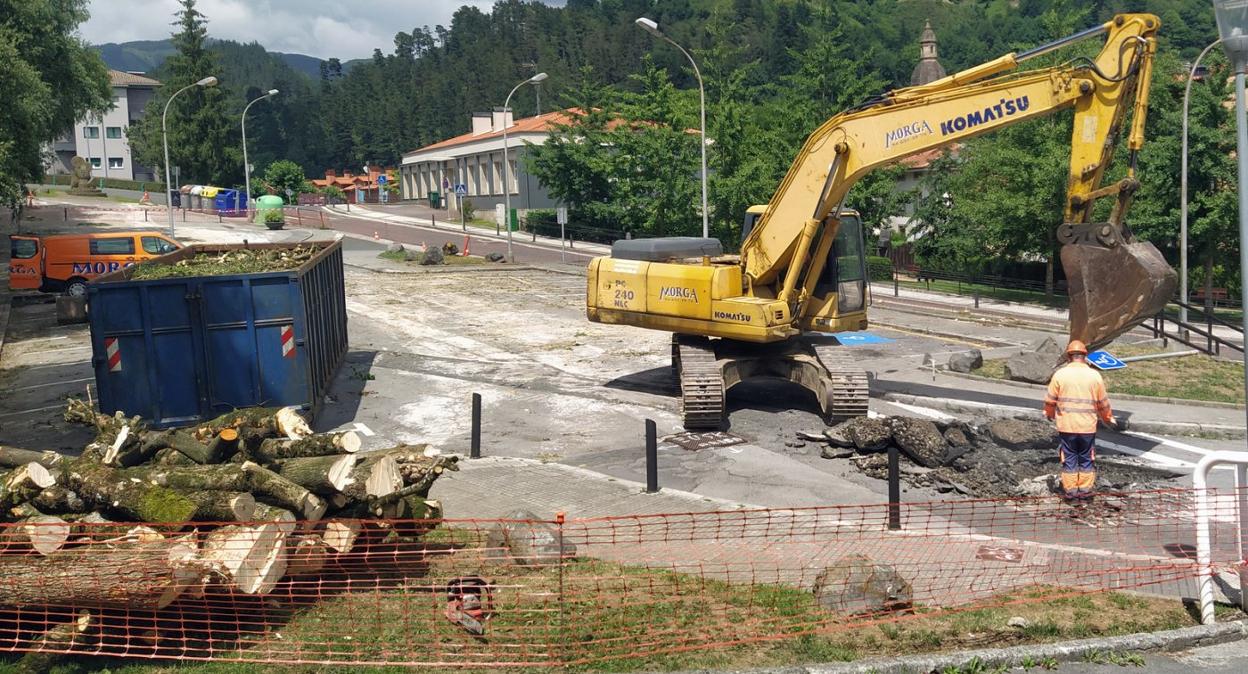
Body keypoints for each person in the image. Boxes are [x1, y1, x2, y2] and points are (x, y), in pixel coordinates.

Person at [1044, 339, 1117, 500]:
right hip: (1087, 427)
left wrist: (1049, 414)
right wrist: (1108, 418)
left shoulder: (1060, 375)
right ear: (1085, 356)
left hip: (1067, 426)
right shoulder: (1094, 376)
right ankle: (1084, 490)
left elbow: (1050, 400)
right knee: (1086, 457)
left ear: (1069, 357)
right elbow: (1103, 403)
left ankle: (1070, 491)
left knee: (1069, 457)